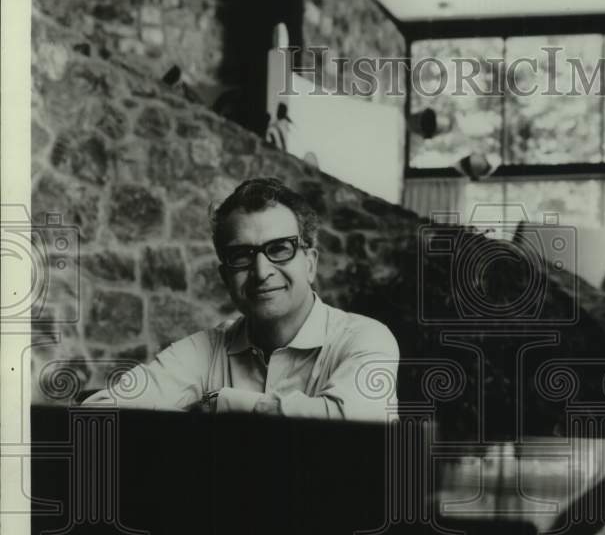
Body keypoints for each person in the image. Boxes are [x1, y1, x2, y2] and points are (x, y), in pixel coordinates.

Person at [84, 177, 399, 420]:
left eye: (279, 249)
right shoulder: (208, 349)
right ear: (225, 276)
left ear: (310, 263)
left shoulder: (365, 339)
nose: (261, 272)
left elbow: (355, 430)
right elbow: (99, 411)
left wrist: (223, 403)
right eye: (241, 255)